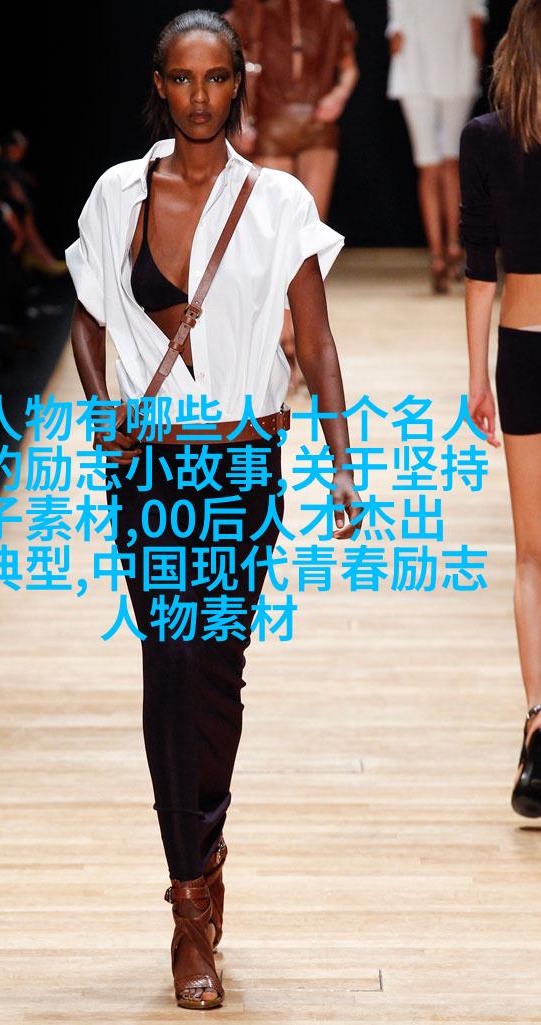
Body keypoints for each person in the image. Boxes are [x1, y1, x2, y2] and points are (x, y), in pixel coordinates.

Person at [65, 8, 363, 1010]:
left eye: (215, 78)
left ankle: (206, 841)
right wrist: (103, 411)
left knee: (215, 670)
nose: (199, 96)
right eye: (182, 79)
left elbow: (315, 340)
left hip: (240, 464)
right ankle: (189, 904)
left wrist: (343, 462)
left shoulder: (276, 202)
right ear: (159, 85)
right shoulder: (116, 194)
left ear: (239, 84)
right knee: (169, 663)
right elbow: (86, 315)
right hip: (150, 465)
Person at [458, 0, 541, 818]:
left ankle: (537, 726)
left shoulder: (486, 137)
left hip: (523, 348)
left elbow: (478, 263)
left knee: (530, 556)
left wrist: (475, 374)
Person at [224, 0, 359, 392]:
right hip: (271, 123)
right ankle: (283, 343)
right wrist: (242, 119)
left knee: (307, 244)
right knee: (276, 243)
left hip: (317, 123)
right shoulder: (250, 11)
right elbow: (237, 70)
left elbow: (349, 68)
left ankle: (301, 343)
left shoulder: (330, 10)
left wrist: (338, 96)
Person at [387, 0, 488, 293]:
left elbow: (396, 36)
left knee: (431, 165)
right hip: (452, 67)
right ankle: (452, 247)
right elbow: (476, 27)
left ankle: (438, 254)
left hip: (417, 72)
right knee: (447, 163)